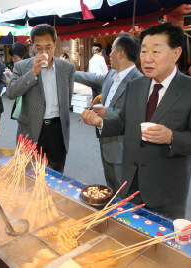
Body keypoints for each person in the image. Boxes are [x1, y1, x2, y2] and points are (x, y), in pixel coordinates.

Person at [82, 23, 191, 219]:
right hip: (130, 182)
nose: (147, 58)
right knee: (127, 235)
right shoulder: (136, 86)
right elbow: (123, 122)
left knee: (159, 244)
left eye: (156, 51)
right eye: (143, 51)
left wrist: (171, 137)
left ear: (176, 53)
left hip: (166, 190)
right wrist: (100, 123)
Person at [75, 33, 143, 192]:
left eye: (111, 50)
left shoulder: (139, 82)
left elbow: (138, 116)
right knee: (112, 189)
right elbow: (93, 78)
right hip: (106, 142)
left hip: (123, 150)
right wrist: (69, 71)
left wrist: (109, 111)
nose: (108, 54)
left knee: (124, 193)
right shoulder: (112, 74)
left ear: (121, 53)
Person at [6, 24, 75, 173]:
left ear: (55, 45)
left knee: (56, 174)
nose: (44, 52)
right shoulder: (22, 67)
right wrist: (33, 73)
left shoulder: (67, 68)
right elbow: (11, 93)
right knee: (28, 175)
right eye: (39, 48)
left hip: (57, 130)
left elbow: (67, 99)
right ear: (32, 47)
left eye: (48, 47)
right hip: (31, 129)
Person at [7, 42, 30, 120]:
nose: (13, 60)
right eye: (12, 58)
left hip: (27, 102)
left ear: (22, 56)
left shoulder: (30, 67)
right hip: (19, 99)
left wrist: (12, 76)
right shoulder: (18, 66)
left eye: (15, 57)